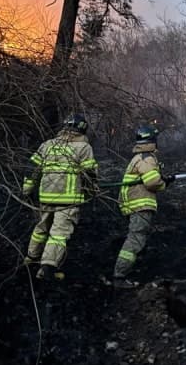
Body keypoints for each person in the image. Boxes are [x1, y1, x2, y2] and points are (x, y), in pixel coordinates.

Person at [22, 113, 98, 281]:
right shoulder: (83, 148)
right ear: (82, 130)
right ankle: (47, 269)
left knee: (41, 227)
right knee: (58, 233)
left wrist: (27, 190)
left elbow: (32, 168)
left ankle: (31, 258)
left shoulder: (47, 145)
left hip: (46, 197)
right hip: (68, 200)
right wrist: (93, 191)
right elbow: (89, 174)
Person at [112, 125, 175, 288]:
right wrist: (163, 183)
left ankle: (132, 270)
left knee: (138, 237)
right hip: (139, 205)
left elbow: (151, 178)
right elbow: (153, 182)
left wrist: (163, 180)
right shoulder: (147, 158)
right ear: (152, 140)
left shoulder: (140, 156)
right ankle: (119, 276)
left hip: (134, 204)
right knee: (135, 239)